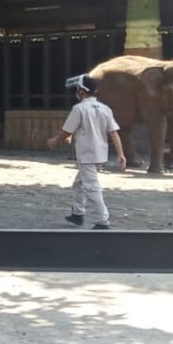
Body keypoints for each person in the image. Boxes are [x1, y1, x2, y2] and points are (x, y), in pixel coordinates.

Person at [45, 73, 126, 229]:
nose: (77, 91)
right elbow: (114, 132)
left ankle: (103, 220)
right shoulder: (105, 108)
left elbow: (67, 130)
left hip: (86, 153)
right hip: (100, 153)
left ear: (82, 90)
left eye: (78, 89)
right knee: (79, 184)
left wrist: (55, 140)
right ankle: (77, 213)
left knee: (91, 187)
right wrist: (121, 154)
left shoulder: (79, 108)